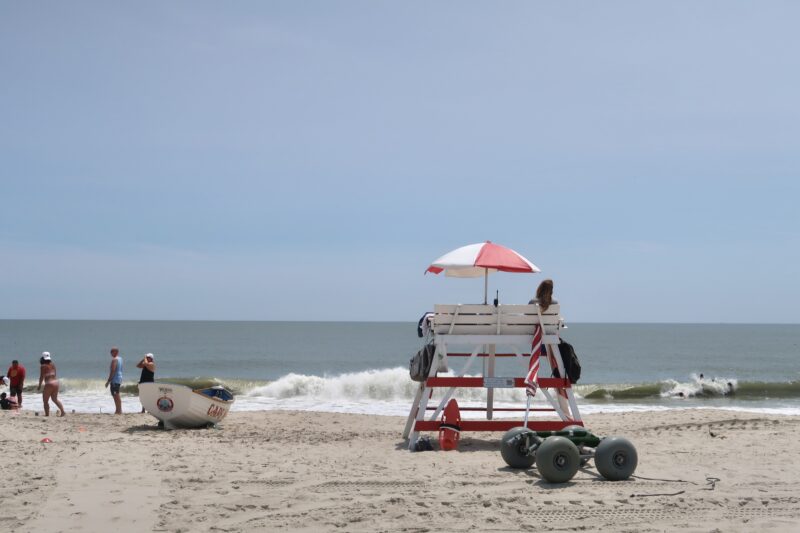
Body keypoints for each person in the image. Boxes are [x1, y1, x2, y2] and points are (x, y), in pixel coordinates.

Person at [37, 352, 65, 417]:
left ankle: (47, 414)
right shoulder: (53, 364)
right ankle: (63, 412)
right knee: (55, 399)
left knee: (45, 400)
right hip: (56, 382)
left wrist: (39, 385)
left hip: (49, 383)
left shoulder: (43, 366)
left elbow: (41, 377)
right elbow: (55, 374)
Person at [105, 346, 123, 415]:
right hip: (119, 378)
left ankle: (119, 410)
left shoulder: (114, 360)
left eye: (112, 351)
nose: (111, 353)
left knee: (116, 394)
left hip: (115, 379)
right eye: (111, 351)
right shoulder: (120, 359)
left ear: (116, 352)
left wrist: (108, 381)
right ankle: (118, 410)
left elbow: (113, 370)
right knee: (116, 394)